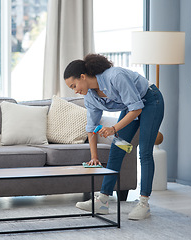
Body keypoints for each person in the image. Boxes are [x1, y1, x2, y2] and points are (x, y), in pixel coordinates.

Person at [64, 53, 164, 220]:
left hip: (150, 101)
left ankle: (144, 204)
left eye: (74, 86)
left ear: (82, 77)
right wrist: (94, 156)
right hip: (131, 106)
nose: (75, 91)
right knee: (118, 148)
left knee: (145, 152)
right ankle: (102, 200)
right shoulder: (89, 96)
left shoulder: (115, 77)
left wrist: (114, 128)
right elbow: (92, 128)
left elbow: (137, 109)